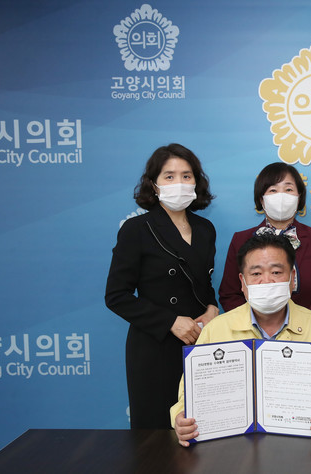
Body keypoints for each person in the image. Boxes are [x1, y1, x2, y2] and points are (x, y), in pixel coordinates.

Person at [171, 233, 311, 447]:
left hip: (301, 444)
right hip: (231, 447)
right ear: (242, 282)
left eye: (276, 272)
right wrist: (181, 418)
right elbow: (190, 395)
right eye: (256, 273)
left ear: (292, 278)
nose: (267, 281)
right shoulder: (215, 331)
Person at [105, 144, 219, 429]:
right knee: (155, 437)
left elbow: (204, 282)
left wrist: (212, 307)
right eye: (169, 176)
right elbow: (116, 296)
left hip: (198, 343)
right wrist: (170, 322)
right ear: (154, 185)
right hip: (154, 346)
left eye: (186, 176)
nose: (179, 183)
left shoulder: (205, 229)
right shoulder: (136, 229)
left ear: (196, 182)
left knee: (201, 428)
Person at [219, 162, 311, 317]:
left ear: (299, 197)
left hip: (307, 327)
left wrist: (307, 323)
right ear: (261, 199)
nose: (281, 196)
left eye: (288, 189)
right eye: (273, 190)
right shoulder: (240, 240)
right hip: (252, 328)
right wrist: (255, 324)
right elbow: (230, 294)